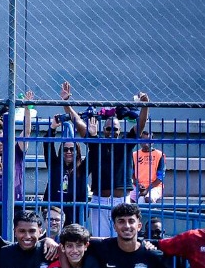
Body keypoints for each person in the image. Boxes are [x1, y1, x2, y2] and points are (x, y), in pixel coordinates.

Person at [61, 82, 149, 237]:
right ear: (104, 130)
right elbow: (79, 123)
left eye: (115, 129)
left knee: (123, 239)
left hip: (122, 200)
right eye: (108, 128)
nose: (112, 131)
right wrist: (66, 104)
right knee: (100, 239)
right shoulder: (96, 143)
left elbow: (140, 125)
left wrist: (145, 106)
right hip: (99, 200)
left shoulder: (126, 143)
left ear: (120, 130)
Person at [0, 99, 34, 233]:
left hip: (14, 201)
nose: (0, 144)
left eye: (3, 141)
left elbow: (26, 132)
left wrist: (27, 109)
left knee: (15, 235)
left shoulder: (16, 151)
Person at [43, 119, 86, 227]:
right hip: (54, 213)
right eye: (65, 149)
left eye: (72, 149)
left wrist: (91, 134)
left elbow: (94, 150)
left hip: (74, 213)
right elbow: (47, 144)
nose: (68, 152)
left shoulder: (82, 168)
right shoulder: (54, 164)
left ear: (77, 152)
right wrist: (53, 128)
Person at [127, 134, 166, 205]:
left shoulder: (159, 155)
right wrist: (138, 185)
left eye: (148, 140)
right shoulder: (134, 155)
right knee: (128, 200)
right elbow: (131, 174)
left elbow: (160, 177)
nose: (145, 143)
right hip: (137, 185)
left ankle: (154, 212)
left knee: (148, 199)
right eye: (143, 140)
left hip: (155, 186)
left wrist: (147, 189)